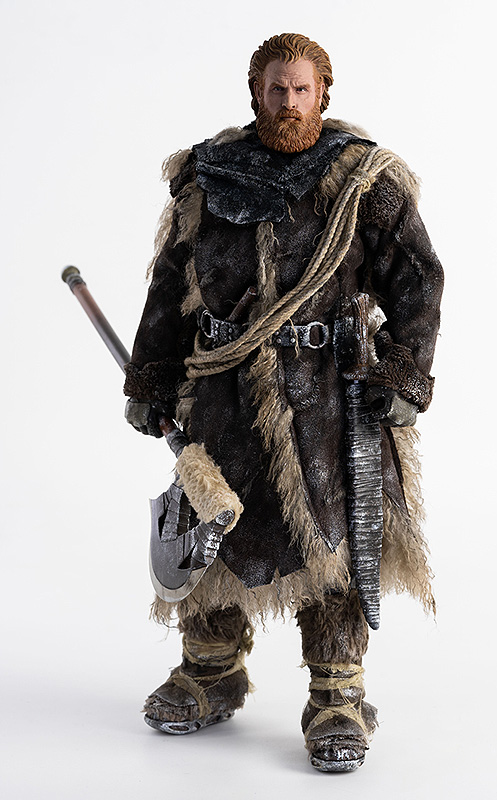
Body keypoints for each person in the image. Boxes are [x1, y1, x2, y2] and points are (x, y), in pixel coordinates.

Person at [124, 32, 443, 773]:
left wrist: (404, 374)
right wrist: (152, 377)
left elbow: (418, 279)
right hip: (223, 390)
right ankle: (210, 668)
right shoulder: (208, 176)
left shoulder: (363, 180)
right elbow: (171, 283)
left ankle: (336, 692)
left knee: (330, 540)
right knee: (214, 526)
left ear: (323, 92)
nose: (289, 102)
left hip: (328, 395)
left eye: (302, 89)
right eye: (277, 88)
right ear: (256, 92)